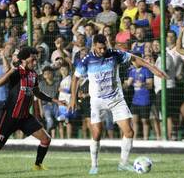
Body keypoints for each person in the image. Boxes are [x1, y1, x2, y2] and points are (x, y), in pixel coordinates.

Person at [68, 34, 168, 175]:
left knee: (129, 131)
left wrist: (153, 68)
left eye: (105, 48)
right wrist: (73, 97)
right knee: (96, 133)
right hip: (97, 101)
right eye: (100, 48)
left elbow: (134, 58)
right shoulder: (87, 60)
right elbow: (75, 78)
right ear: (94, 46)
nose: (103, 51)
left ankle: (123, 163)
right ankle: (94, 164)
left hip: (116, 99)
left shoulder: (115, 54)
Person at [0, 47, 64, 174]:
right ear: (24, 60)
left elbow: (36, 92)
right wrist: (11, 70)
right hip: (10, 117)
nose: (35, 62)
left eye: (36, 60)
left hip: (25, 117)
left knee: (46, 139)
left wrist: (55, 100)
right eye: (33, 60)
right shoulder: (16, 72)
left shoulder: (33, 75)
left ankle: (38, 165)